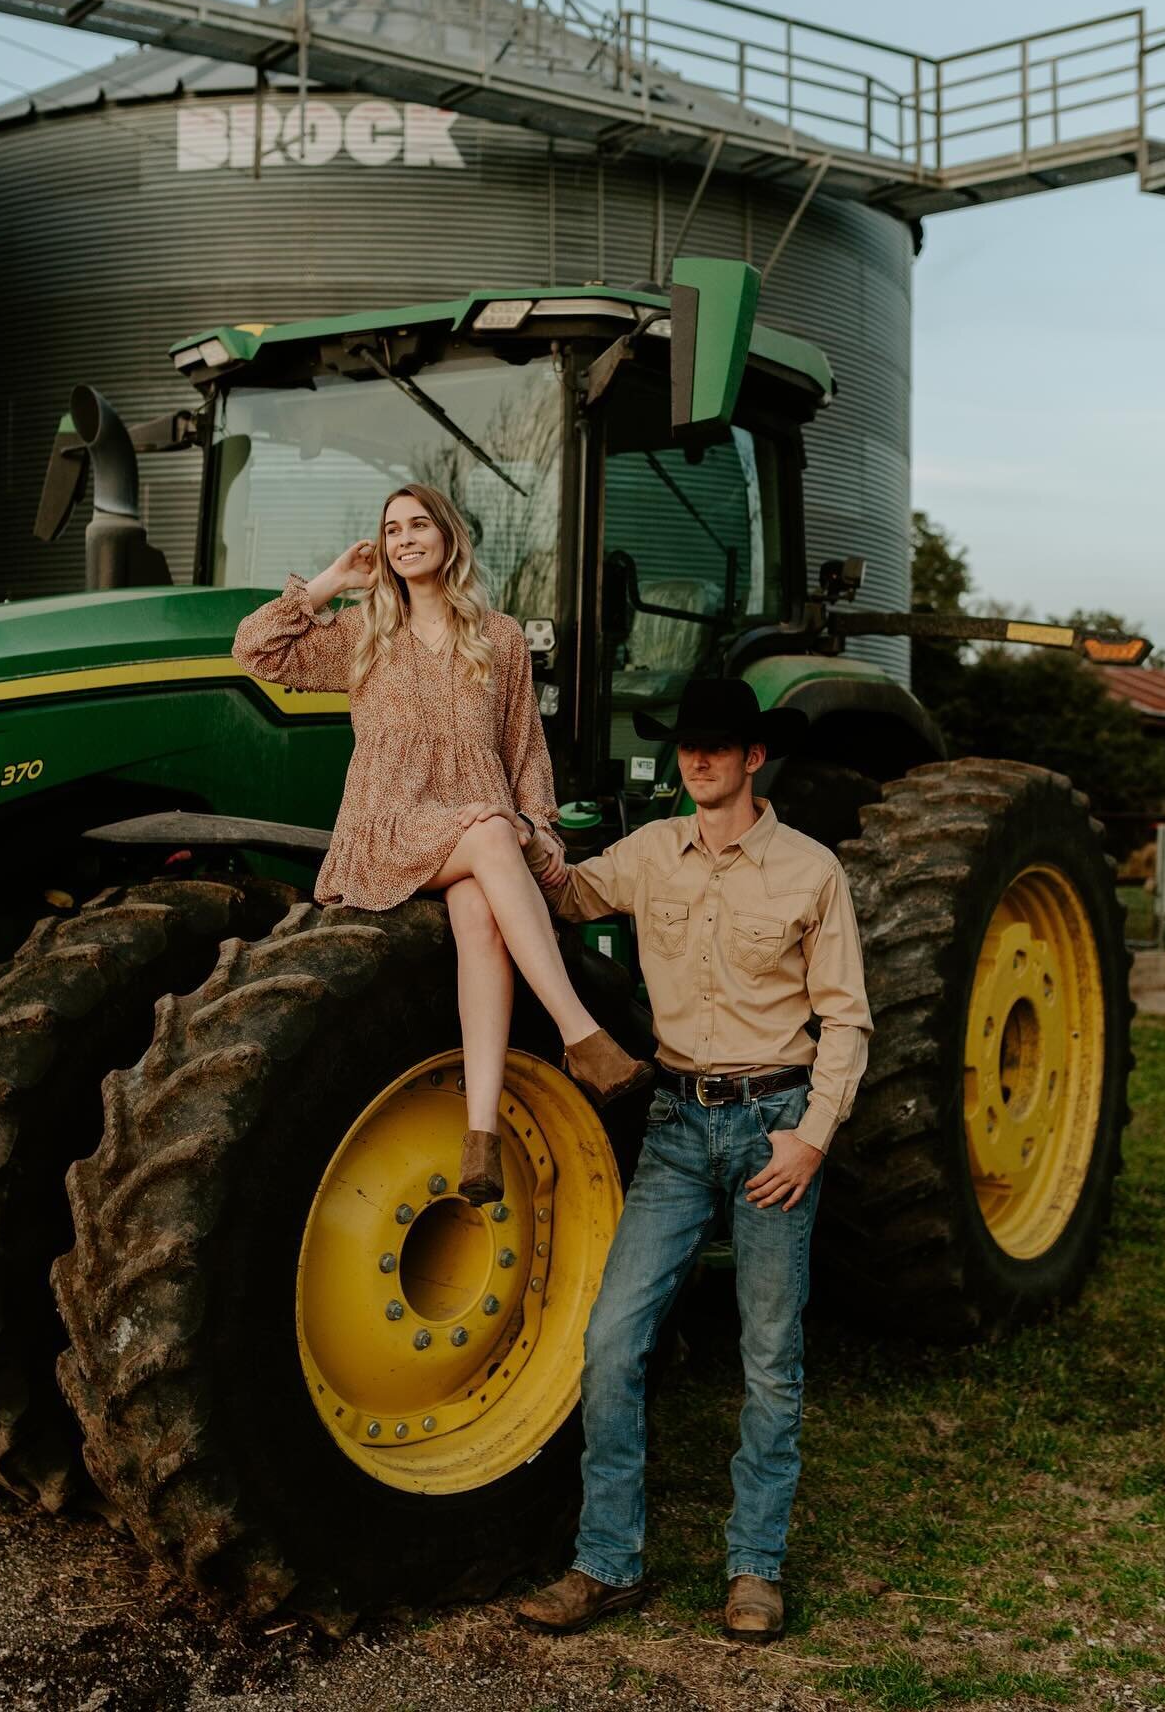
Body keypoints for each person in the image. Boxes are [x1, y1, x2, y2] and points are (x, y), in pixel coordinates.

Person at [514, 677, 871, 1644]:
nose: (698, 762)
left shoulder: (811, 872)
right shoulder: (647, 857)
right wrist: (498, 824)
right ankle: (608, 1562)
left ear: (756, 757)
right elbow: (563, 888)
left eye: (717, 748)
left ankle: (755, 1569)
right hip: (676, 1125)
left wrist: (811, 1138)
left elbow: (846, 1020)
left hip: (775, 1128)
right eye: (687, 749)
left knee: (769, 1357)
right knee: (610, 1343)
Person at [231, 481, 653, 1206]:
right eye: (391, 530)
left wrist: (541, 824)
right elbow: (255, 651)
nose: (403, 539)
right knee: (491, 830)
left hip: (472, 832)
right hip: (389, 827)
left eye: (418, 524)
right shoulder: (365, 634)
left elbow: (523, 747)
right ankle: (581, 1035)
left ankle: (480, 1136)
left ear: (448, 537)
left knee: (481, 917)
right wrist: (334, 579)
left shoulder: (502, 637)